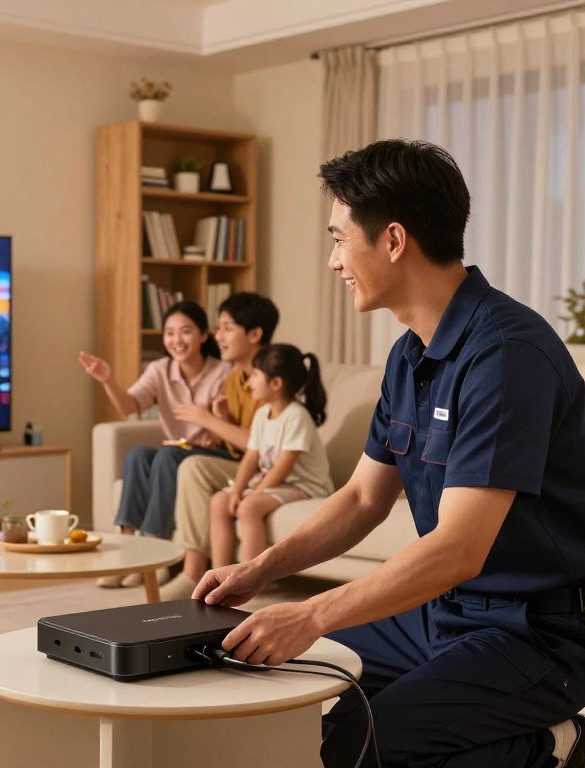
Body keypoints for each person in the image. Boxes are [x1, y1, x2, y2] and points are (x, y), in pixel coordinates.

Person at [192, 139, 585, 768]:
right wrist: (260, 572)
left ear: (393, 240)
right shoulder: (409, 356)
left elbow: (459, 547)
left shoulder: (507, 356)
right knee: (281, 697)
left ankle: (548, 748)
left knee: (362, 743)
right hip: (438, 614)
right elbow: (361, 498)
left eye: (340, 239)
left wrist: (311, 613)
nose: (332, 260)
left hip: (532, 634)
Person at [78, 301, 232, 588]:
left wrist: (214, 425)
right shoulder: (160, 369)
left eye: (185, 332)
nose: (177, 340)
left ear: (203, 335)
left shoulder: (223, 372)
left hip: (209, 453)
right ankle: (126, 555)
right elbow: (129, 406)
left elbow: (232, 425)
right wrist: (108, 379)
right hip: (176, 451)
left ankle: (153, 556)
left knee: (167, 456)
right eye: (170, 333)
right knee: (137, 455)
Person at [160, 292, 279, 600]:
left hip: (268, 466)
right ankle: (197, 568)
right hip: (242, 461)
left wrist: (209, 421)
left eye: (227, 328)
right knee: (177, 460)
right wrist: (222, 426)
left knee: (193, 466)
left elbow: (262, 445)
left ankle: (193, 570)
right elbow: (242, 439)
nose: (218, 336)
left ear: (254, 335)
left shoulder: (273, 375)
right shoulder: (234, 378)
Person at [209, 344, 333, 570]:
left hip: (305, 486)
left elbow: (282, 469)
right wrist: (237, 490)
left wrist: (251, 495)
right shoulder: (261, 415)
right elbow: (251, 457)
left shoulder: (296, 417)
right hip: (277, 484)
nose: (249, 382)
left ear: (276, 384)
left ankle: (247, 578)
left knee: (249, 508)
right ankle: (218, 576)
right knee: (219, 502)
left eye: (256, 375)